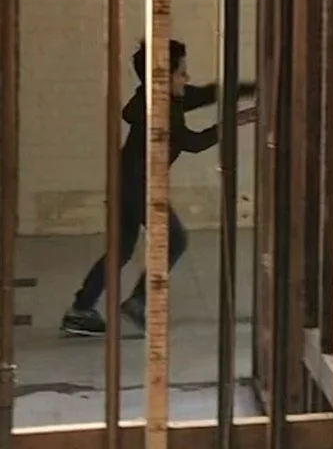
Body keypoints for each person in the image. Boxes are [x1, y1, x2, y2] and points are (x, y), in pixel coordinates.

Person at [61, 40, 256, 338]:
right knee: (175, 238)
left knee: (121, 250)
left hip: (126, 180)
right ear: (164, 78)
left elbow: (207, 93)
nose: (186, 78)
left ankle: (80, 311)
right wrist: (235, 121)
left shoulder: (162, 98)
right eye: (181, 73)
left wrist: (251, 88)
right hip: (137, 184)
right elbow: (193, 143)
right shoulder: (160, 111)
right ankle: (137, 302)